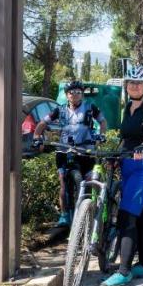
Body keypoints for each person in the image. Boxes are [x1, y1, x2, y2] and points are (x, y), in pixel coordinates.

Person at [103, 67, 143, 286]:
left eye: (139, 83)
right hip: (129, 162)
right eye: (130, 83)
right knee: (140, 216)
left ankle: (124, 271)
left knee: (127, 214)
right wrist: (115, 154)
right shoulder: (128, 107)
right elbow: (125, 138)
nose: (134, 86)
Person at [31, 80, 107, 227]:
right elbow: (42, 123)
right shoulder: (59, 110)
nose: (75, 95)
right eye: (71, 92)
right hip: (64, 150)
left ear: (82, 94)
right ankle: (65, 215)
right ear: (67, 95)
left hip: (86, 150)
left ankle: (90, 210)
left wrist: (101, 135)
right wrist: (36, 137)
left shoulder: (90, 108)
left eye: (78, 92)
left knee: (89, 181)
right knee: (63, 183)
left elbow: (102, 122)